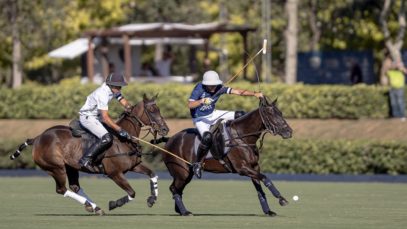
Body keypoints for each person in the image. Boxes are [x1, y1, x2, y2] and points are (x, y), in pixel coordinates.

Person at [188, 70, 263, 178]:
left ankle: (238, 142)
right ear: (205, 84)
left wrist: (254, 94)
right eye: (210, 86)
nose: (213, 87)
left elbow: (237, 91)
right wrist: (202, 101)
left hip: (213, 114)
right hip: (200, 119)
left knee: (241, 114)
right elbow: (190, 105)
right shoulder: (199, 88)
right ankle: (198, 164)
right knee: (207, 137)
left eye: (214, 85)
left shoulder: (219, 88)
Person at [78, 72, 133, 170]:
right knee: (107, 137)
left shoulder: (113, 90)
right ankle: (85, 159)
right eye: (118, 86)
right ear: (111, 85)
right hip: (88, 117)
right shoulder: (102, 94)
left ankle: (101, 160)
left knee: (113, 135)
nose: (120, 89)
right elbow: (105, 118)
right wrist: (120, 129)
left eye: (121, 86)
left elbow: (121, 98)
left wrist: (128, 106)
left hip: (96, 117)